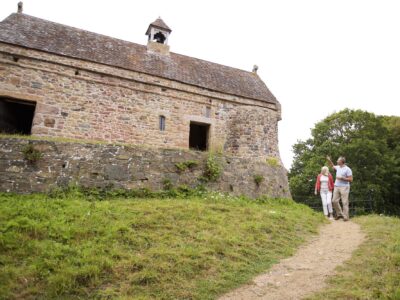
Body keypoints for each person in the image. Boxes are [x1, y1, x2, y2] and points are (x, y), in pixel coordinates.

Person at [326, 156, 353, 221]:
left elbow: (351, 179)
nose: (337, 161)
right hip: (336, 186)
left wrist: (342, 178)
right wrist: (329, 160)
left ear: (341, 162)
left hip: (344, 187)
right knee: (334, 201)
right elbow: (332, 165)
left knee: (344, 202)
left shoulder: (348, 169)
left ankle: (345, 217)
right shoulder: (338, 167)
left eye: (338, 160)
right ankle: (339, 214)